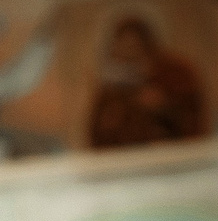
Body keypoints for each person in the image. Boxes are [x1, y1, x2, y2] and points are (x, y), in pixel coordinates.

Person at [86, 15, 210, 149]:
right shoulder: (111, 86)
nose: (130, 53)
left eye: (134, 45)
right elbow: (97, 134)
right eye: (124, 47)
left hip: (173, 155)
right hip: (127, 160)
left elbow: (192, 118)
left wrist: (162, 106)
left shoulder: (175, 72)